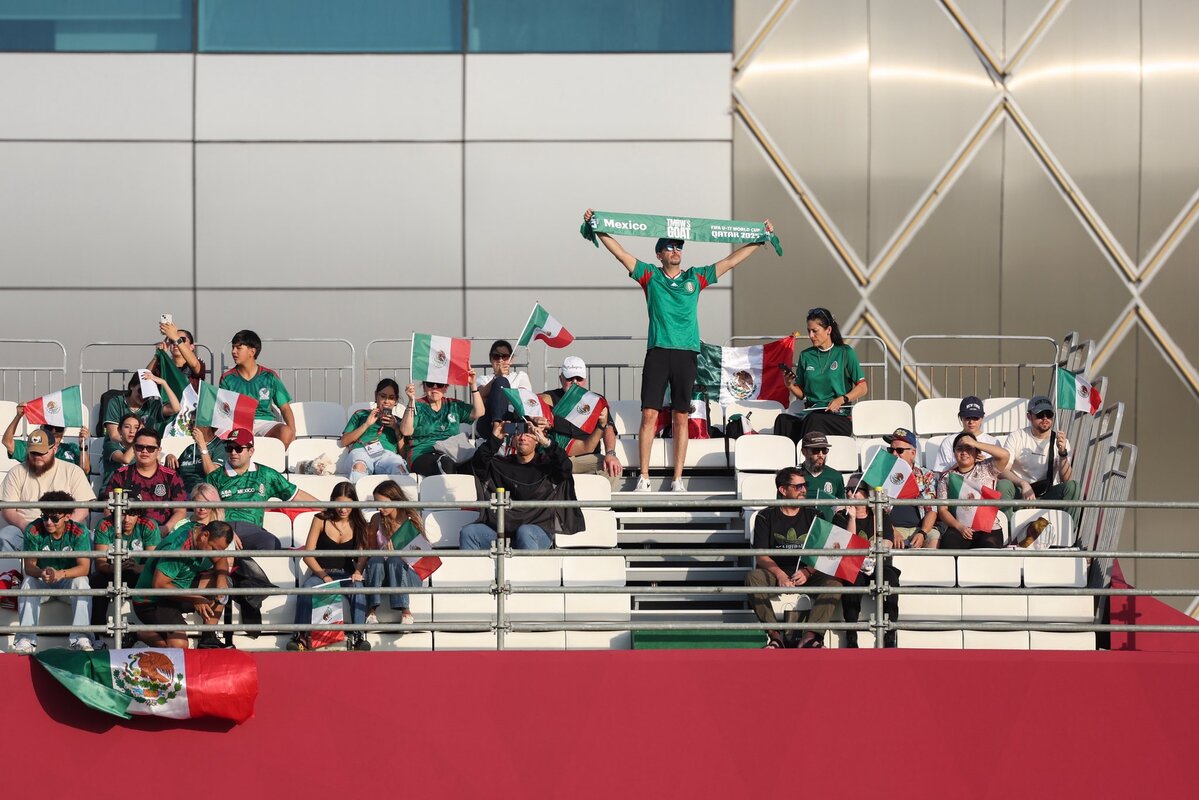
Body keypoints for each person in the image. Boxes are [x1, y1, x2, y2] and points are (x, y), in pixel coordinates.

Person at [582, 207, 774, 493]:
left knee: (681, 416)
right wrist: (597, 227)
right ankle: (644, 478)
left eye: (679, 247)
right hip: (659, 351)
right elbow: (620, 253)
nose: (675, 250)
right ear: (659, 254)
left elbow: (730, 261)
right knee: (649, 414)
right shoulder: (650, 275)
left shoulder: (695, 277)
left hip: (686, 353)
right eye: (669, 247)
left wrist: (760, 240)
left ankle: (677, 480)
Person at [744, 467, 839, 649]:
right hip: (775, 572)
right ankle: (774, 635)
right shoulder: (765, 516)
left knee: (834, 583)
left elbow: (825, 553)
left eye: (805, 485)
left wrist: (808, 571)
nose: (804, 490)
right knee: (752, 578)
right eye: (798, 486)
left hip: (807, 572)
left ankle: (811, 637)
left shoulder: (815, 515)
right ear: (783, 490)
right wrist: (780, 574)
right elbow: (761, 556)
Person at [459, 418, 583, 550]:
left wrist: (547, 443)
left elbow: (565, 467)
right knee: (469, 533)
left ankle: (527, 571)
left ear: (537, 439)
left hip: (537, 531)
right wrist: (495, 439)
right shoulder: (501, 464)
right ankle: (474, 571)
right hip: (500, 533)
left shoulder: (548, 466)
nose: (523, 438)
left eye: (529, 434)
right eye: (519, 433)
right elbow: (478, 463)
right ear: (512, 440)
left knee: (525, 532)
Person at [288, 482, 370, 652]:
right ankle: (300, 637)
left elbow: (363, 555)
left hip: (346, 575)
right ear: (332, 501)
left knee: (359, 591)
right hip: (320, 574)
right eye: (339, 504)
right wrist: (323, 575)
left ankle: (358, 636)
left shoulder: (359, 523)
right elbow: (308, 554)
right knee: (306, 590)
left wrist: (357, 571)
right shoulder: (320, 519)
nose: (343, 509)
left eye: (347, 505)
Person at [10, 491, 94, 654]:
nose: (48, 522)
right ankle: (26, 639)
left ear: (68, 516)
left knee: (82, 582)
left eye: (55, 518)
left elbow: (84, 568)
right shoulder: (33, 529)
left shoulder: (79, 531)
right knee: (28, 582)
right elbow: (29, 567)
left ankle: (81, 637)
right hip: (44, 581)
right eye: (45, 517)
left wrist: (61, 574)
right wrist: (42, 572)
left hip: (67, 581)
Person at [130, 519, 234, 649]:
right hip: (151, 600)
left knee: (225, 582)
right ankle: (136, 634)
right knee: (179, 646)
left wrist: (222, 581)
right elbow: (159, 585)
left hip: (179, 591)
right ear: (205, 535)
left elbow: (220, 559)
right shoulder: (178, 547)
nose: (215, 553)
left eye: (219, 550)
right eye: (213, 548)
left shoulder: (201, 531)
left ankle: (208, 638)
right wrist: (195, 598)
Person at [775, 307, 867, 441]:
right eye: (808, 331)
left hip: (838, 416)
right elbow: (802, 394)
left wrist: (842, 399)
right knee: (782, 420)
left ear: (828, 330)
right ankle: (784, 461)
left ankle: (807, 458)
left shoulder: (845, 352)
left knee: (814, 420)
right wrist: (789, 385)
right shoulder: (806, 356)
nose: (810, 335)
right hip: (811, 413)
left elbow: (863, 387)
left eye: (815, 331)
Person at [0, 430, 95, 551]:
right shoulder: (16, 472)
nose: (37, 457)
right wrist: (27, 528)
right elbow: (8, 510)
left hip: (66, 527)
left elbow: (83, 509)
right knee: (6, 536)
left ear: (54, 449)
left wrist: (62, 528)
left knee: (92, 539)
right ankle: (10, 571)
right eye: (33, 453)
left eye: (42, 453)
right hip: (27, 527)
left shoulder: (73, 471)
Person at [201, 428, 317, 527]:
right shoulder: (214, 477)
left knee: (271, 543)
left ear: (251, 451)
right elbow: (206, 513)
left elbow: (294, 494)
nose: (233, 452)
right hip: (224, 534)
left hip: (254, 533)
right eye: (229, 448)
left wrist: (326, 508)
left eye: (239, 448)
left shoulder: (266, 475)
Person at [836, 476, 900, 648]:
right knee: (851, 581)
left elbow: (887, 543)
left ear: (867, 494)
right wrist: (852, 518)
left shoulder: (880, 516)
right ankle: (851, 635)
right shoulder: (841, 517)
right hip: (853, 566)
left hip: (878, 565)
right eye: (848, 490)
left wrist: (862, 549)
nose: (850, 493)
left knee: (891, 580)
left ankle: (890, 633)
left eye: (855, 490)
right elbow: (847, 548)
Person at [1000, 395, 1081, 531]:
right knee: (1003, 485)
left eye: (1048, 414)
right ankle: (1008, 533)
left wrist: (1062, 454)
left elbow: (1066, 479)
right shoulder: (1017, 436)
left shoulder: (1061, 441)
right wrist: (1024, 484)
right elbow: (1003, 470)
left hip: (1046, 496)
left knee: (1073, 486)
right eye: (1039, 415)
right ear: (1029, 416)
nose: (1045, 419)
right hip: (1021, 495)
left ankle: (1067, 536)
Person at [540, 356, 622, 488]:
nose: (575, 382)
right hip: (556, 458)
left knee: (612, 468)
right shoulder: (548, 398)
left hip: (586, 457)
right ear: (561, 378)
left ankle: (598, 507)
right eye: (569, 378)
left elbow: (608, 428)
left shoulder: (597, 400)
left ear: (585, 380)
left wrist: (610, 454)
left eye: (579, 378)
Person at [88, 503, 161, 630]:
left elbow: (154, 563)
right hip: (111, 573)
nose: (126, 519)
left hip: (140, 574)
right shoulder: (104, 524)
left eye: (131, 514)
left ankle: (153, 631)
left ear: (138, 514)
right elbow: (100, 563)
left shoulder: (148, 525)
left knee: (155, 582)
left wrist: (138, 568)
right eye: (122, 514)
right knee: (96, 580)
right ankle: (97, 634)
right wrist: (113, 568)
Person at [219, 329, 297, 446]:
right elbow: (222, 411)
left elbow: (285, 408)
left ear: (252, 352)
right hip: (238, 424)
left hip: (264, 424)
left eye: (238, 348)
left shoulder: (269, 376)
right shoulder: (227, 378)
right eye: (233, 347)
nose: (233, 351)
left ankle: (268, 463)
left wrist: (293, 433)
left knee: (286, 433)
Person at [937, 431, 1012, 549]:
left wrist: (975, 443)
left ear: (977, 452)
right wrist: (959, 527)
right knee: (949, 546)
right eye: (959, 449)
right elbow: (942, 511)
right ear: (954, 452)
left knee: (987, 552)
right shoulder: (946, 477)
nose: (964, 453)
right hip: (959, 529)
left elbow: (1005, 455)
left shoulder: (987, 468)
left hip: (988, 529)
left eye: (969, 448)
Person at [399, 372, 483, 477]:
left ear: (445, 388)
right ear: (424, 387)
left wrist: (473, 384)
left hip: (452, 450)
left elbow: (478, 413)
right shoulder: (417, 406)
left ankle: (477, 494)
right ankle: (449, 493)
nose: (435, 387)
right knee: (446, 463)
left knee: (478, 462)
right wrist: (411, 401)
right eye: (430, 384)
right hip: (423, 453)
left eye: (439, 384)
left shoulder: (453, 405)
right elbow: (406, 431)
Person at [103, 427, 187, 532]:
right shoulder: (121, 474)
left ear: (158, 451)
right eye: (139, 447)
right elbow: (108, 508)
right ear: (133, 448)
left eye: (150, 448)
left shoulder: (172, 476)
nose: (144, 451)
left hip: (161, 535)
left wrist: (163, 531)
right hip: (127, 533)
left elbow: (180, 511)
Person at [364, 479, 423, 626]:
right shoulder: (376, 519)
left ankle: (406, 612)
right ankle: (371, 612)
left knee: (395, 559)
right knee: (376, 560)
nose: (380, 508)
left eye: (383, 503)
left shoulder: (410, 517)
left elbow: (421, 552)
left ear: (395, 499)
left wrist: (399, 554)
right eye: (377, 503)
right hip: (383, 573)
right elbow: (370, 550)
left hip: (410, 573)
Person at [879, 428, 940, 549]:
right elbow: (877, 509)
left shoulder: (926, 475)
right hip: (891, 528)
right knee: (883, 543)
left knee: (934, 539)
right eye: (891, 450)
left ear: (913, 453)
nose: (894, 454)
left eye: (899, 450)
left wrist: (922, 533)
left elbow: (932, 509)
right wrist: (891, 531)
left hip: (920, 529)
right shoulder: (881, 475)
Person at [342, 379, 409, 485]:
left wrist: (396, 428)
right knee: (359, 467)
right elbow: (344, 441)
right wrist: (366, 424)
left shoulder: (400, 422)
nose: (386, 401)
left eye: (391, 398)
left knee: (399, 468)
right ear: (376, 396)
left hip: (387, 454)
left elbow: (404, 455)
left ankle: (402, 500)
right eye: (383, 396)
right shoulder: (361, 414)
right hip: (362, 451)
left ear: (396, 401)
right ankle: (357, 500)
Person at [3, 403, 89, 474]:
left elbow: (84, 470)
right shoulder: (33, 448)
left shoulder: (72, 448)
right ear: (42, 428)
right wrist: (18, 416)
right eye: (49, 427)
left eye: (59, 428)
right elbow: (7, 442)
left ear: (63, 432)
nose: (54, 431)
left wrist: (82, 445)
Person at [475, 339, 534, 436]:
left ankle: (500, 429)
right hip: (488, 424)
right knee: (501, 381)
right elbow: (479, 396)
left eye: (505, 357)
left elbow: (524, 399)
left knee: (529, 424)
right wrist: (498, 377)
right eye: (496, 356)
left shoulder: (520, 376)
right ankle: (497, 426)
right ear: (491, 359)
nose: (500, 360)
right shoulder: (483, 379)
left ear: (511, 360)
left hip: (513, 420)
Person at [931, 396, 1003, 472]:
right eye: (967, 417)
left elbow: (999, 472)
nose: (971, 422)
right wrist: (962, 463)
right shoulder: (949, 441)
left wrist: (986, 464)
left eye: (975, 418)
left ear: (982, 418)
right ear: (961, 418)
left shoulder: (993, 442)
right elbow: (939, 475)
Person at [102, 371, 180, 440]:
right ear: (131, 386)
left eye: (148, 393)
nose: (143, 396)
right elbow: (114, 435)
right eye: (141, 391)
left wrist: (164, 383)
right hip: (119, 447)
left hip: (144, 449)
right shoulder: (116, 402)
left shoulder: (153, 405)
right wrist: (137, 445)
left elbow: (175, 408)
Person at [798, 431, 844, 522]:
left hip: (826, 529)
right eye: (816, 450)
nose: (821, 454)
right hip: (800, 527)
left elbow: (842, 506)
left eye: (824, 450)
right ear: (804, 452)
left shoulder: (835, 476)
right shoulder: (794, 475)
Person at [166, 424, 228, 493]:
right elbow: (173, 473)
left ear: (206, 426)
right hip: (182, 493)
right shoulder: (190, 448)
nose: (189, 426)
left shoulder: (219, 446)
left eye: (193, 423)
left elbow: (213, 475)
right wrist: (169, 457)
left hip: (204, 493)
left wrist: (202, 445)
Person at [148, 320, 205, 389]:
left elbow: (194, 365)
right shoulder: (164, 364)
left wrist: (175, 337)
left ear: (191, 347)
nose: (175, 343)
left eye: (182, 339)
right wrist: (158, 355)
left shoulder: (198, 361)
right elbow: (145, 377)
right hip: (167, 399)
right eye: (172, 340)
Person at [100, 413, 141, 488]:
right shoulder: (110, 445)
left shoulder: (142, 450)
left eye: (136, 428)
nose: (132, 431)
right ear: (119, 430)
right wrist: (139, 438)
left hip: (134, 494)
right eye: (127, 427)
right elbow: (125, 459)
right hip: (111, 493)